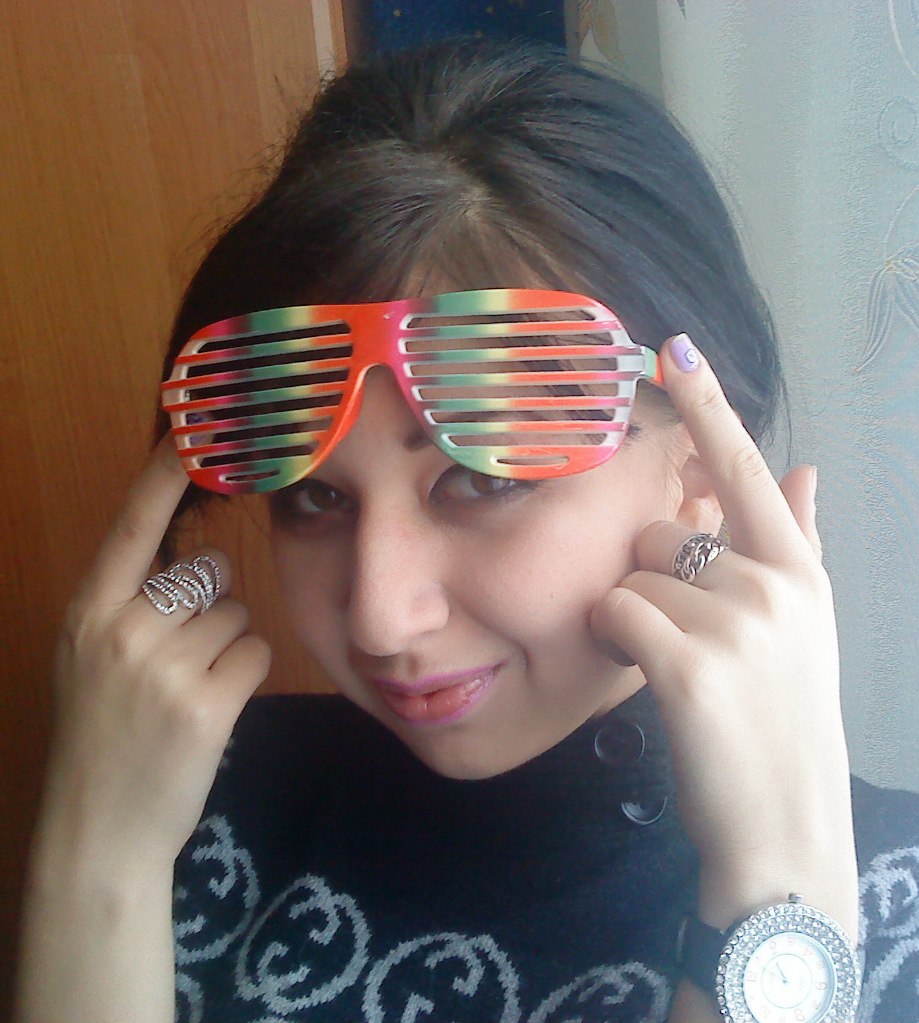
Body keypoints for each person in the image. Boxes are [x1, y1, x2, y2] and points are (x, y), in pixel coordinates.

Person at [14, 36, 919, 1023]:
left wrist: (781, 904)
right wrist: (98, 855)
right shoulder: (179, 784)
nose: (379, 618)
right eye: (314, 498)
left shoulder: (898, 900)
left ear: (700, 470)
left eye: (480, 481)